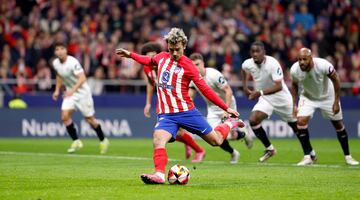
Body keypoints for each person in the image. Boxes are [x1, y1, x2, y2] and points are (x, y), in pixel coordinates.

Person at [116, 28, 244, 184]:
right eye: (171, 50)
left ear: (184, 45)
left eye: (177, 49)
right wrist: (131, 55)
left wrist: (226, 108)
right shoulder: (161, 58)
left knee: (216, 141)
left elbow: (205, 89)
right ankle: (159, 175)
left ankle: (230, 124)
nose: (174, 53)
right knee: (158, 139)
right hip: (167, 115)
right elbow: (148, 61)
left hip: (186, 112)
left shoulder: (189, 66)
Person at [290, 48, 359, 166]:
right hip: (308, 97)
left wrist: (336, 101)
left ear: (311, 58)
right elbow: (295, 85)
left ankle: (348, 157)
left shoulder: (323, 65)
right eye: (299, 59)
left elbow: (336, 80)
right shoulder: (295, 69)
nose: (301, 62)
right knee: (300, 122)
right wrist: (294, 104)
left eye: (304, 59)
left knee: (338, 125)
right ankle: (308, 156)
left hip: (328, 97)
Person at [141, 42, 206, 163]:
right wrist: (148, 102)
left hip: (181, 102)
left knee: (170, 133)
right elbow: (150, 83)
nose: (151, 60)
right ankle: (194, 147)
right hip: (165, 104)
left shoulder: (169, 66)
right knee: (173, 133)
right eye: (148, 57)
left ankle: (199, 150)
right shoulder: (147, 68)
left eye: (152, 57)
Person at [240, 41, 299, 163]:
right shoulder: (248, 63)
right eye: (253, 52)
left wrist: (259, 93)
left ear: (264, 53)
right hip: (266, 98)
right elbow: (243, 69)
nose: (255, 54)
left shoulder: (272, 63)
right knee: (253, 120)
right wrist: (245, 87)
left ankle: (310, 154)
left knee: (296, 126)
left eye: (258, 51)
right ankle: (270, 149)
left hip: (281, 97)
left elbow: (279, 86)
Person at [189, 53, 253, 164]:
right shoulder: (193, 79)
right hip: (213, 109)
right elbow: (190, 96)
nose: (195, 67)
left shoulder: (213, 75)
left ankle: (243, 133)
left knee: (229, 136)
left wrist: (226, 110)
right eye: (193, 65)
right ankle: (234, 152)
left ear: (203, 63)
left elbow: (228, 91)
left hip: (227, 105)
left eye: (197, 64)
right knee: (214, 138)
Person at [52, 42, 109, 154]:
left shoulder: (72, 62)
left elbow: (82, 78)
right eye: (57, 49)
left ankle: (103, 139)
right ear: (55, 52)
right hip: (70, 93)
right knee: (64, 116)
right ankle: (76, 141)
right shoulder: (55, 63)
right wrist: (57, 90)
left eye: (62, 48)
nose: (59, 51)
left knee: (90, 120)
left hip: (82, 93)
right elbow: (59, 75)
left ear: (66, 50)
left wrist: (72, 90)